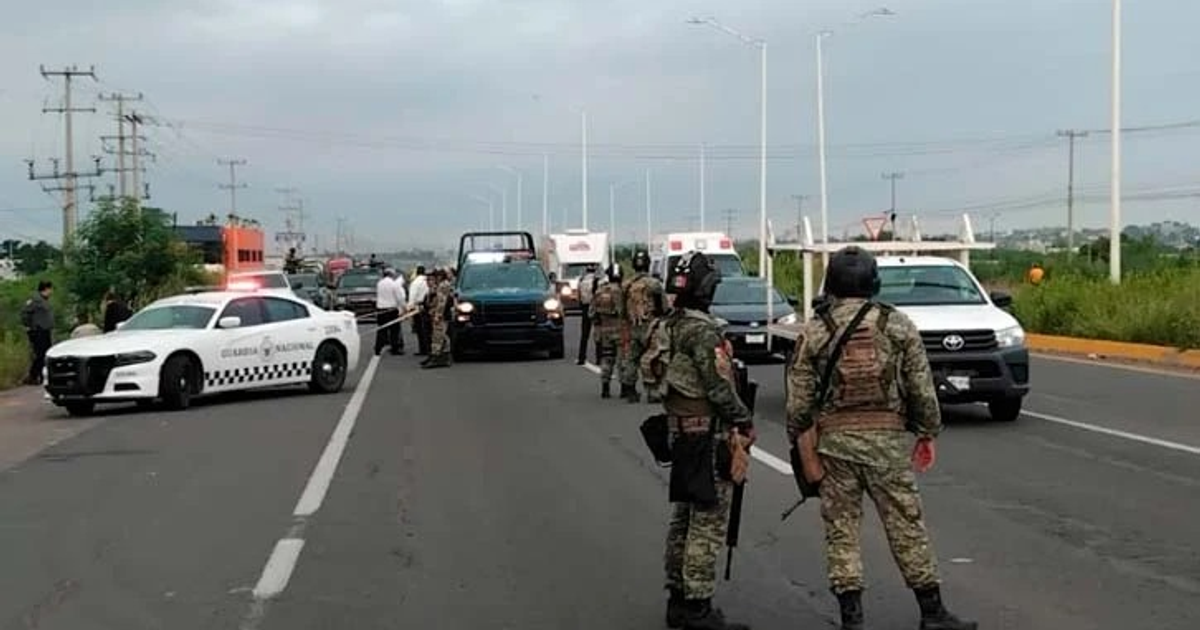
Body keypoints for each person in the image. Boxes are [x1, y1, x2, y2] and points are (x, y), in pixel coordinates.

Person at [785, 246, 976, 630]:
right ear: (874, 282)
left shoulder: (816, 330)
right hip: (887, 445)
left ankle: (852, 617)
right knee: (906, 525)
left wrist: (806, 447)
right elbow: (922, 388)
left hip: (835, 446)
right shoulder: (897, 325)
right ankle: (932, 611)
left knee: (842, 530)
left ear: (831, 283)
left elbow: (798, 405)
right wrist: (926, 432)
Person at [656, 251, 753, 630]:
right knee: (707, 520)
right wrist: (743, 420)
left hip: (680, 432)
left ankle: (678, 599)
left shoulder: (672, 324)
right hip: (705, 434)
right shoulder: (703, 331)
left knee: (683, 518)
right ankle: (698, 608)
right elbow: (717, 388)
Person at [620, 250, 665, 403]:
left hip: (633, 327)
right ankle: (652, 391)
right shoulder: (654, 284)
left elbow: (621, 309)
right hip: (652, 327)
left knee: (631, 359)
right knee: (653, 358)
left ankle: (630, 391)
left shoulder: (626, 285)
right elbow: (663, 307)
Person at [589, 264, 623, 398]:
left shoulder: (600, 291)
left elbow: (591, 313)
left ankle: (605, 387)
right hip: (621, 331)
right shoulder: (622, 291)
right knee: (622, 360)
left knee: (607, 358)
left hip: (604, 331)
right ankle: (625, 389)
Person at [19, 280, 54, 386]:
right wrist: (30, 327)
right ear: (46, 289)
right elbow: (24, 313)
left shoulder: (45, 300)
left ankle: (40, 376)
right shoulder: (35, 300)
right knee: (40, 354)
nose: (51, 292)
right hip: (38, 331)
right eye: (50, 289)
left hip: (45, 330)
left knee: (45, 353)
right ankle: (32, 376)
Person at [422, 268, 453, 369]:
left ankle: (436, 357)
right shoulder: (442, 285)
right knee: (442, 336)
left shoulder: (443, 285)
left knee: (437, 336)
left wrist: (438, 315)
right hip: (441, 314)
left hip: (441, 315)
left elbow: (441, 303)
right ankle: (441, 357)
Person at [374, 268, 406, 356]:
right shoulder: (394, 284)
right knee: (394, 330)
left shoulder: (379, 283)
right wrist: (404, 308)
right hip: (391, 309)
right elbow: (399, 298)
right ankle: (394, 348)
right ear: (392, 275)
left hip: (380, 309)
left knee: (381, 329)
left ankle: (378, 348)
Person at [576, 263, 600, 365]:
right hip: (595, 307)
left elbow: (579, 297)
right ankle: (599, 358)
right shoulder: (597, 281)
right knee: (598, 333)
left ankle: (581, 357)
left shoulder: (581, 281)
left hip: (585, 308)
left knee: (584, 335)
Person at [408, 265, 432, 356]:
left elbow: (412, 296)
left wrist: (410, 307)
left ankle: (423, 349)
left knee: (420, 330)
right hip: (427, 306)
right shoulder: (428, 281)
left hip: (418, 307)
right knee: (427, 329)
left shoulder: (415, 282)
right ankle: (428, 348)